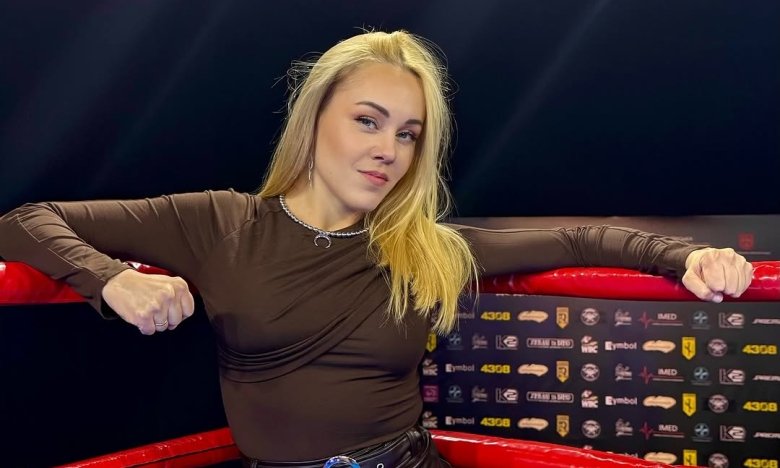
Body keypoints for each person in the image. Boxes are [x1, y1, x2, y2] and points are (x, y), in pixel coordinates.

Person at [0, 30, 753, 468]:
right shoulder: (220, 221)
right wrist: (110, 280)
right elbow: (25, 220)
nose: (388, 149)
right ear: (314, 117)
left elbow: (581, 237)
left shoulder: (422, 248)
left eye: (408, 133)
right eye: (367, 120)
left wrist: (687, 258)